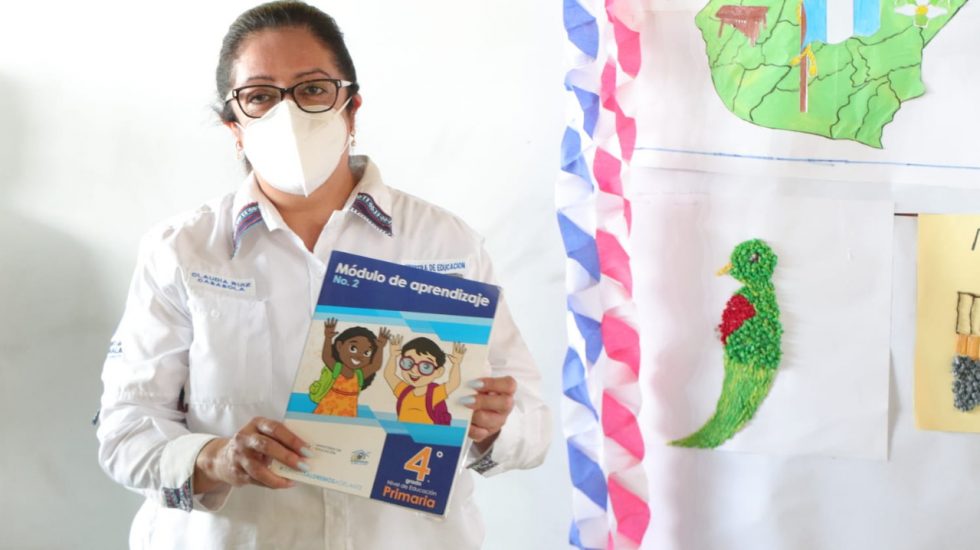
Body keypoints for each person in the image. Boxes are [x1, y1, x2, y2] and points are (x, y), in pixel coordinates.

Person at [95, 2, 551, 548]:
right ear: (233, 125)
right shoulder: (182, 252)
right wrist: (215, 459)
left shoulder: (446, 245)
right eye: (260, 96)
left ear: (352, 109)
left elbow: (534, 426)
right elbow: (124, 429)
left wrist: (497, 425)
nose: (288, 115)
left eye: (312, 89)